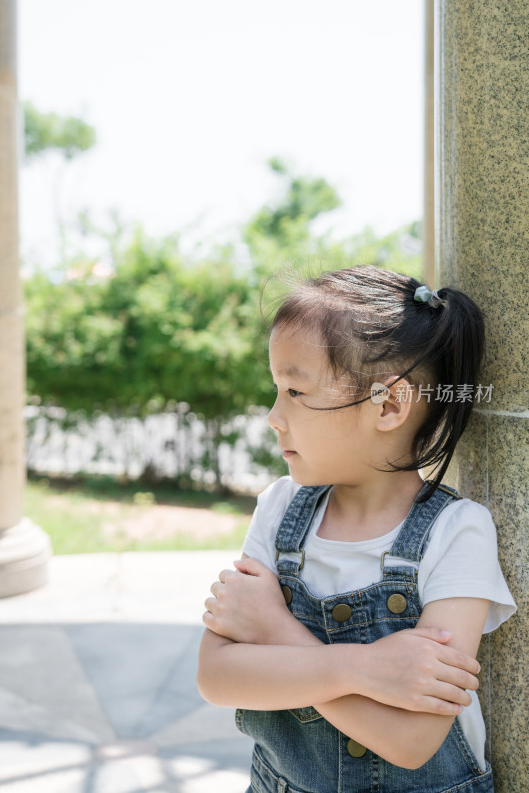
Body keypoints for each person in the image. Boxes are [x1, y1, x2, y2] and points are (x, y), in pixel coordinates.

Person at [197, 265, 516, 793]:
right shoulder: (280, 509)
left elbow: (411, 741)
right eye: (277, 389)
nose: (275, 416)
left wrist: (277, 631)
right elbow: (217, 677)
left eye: (295, 391)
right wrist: (365, 669)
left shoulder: (457, 532)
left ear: (389, 404)